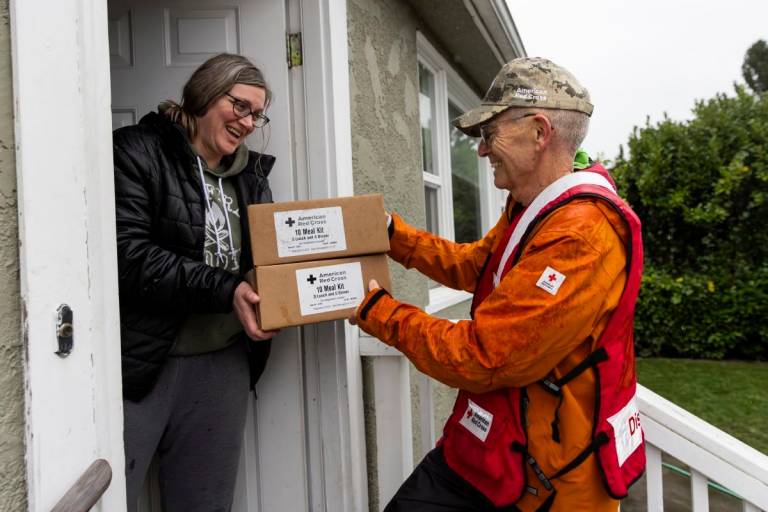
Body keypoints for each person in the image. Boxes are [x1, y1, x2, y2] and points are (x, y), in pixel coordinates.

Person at [352, 58, 645, 511]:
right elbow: (479, 267)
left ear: (539, 131)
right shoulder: (532, 207)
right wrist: (394, 235)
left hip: (546, 483)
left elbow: (485, 356)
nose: (482, 151)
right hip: (492, 452)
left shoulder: (581, 235)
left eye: (490, 134)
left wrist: (380, 313)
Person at [113, 53, 279, 511]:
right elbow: (130, 255)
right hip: (144, 361)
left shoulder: (252, 176)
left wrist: (289, 294)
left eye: (257, 114)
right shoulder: (137, 150)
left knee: (205, 502)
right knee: (112, 497)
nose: (247, 122)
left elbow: (267, 258)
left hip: (222, 362)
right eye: (240, 106)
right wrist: (226, 289)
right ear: (206, 93)